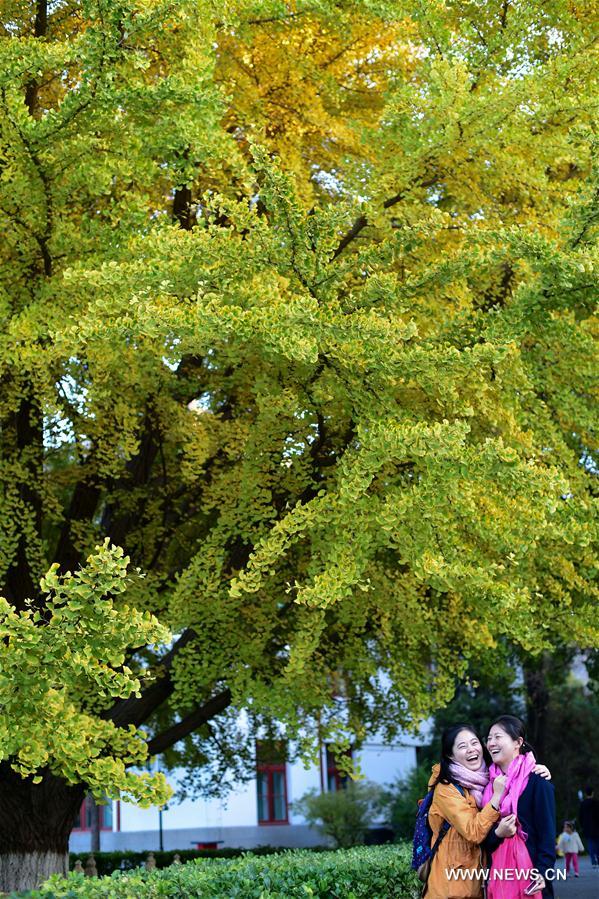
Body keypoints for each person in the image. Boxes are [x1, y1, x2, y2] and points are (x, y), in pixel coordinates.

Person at [425, 723, 551, 899]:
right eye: (462, 746)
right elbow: (474, 832)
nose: (471, 749)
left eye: (474, 742)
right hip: (449, 889)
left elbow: (514, 764)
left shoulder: (488, 779)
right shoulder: (447, 789)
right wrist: (496, 798)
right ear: (450, 755)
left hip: (479, 885)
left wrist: (534, 768)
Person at [483, 715, 556, 898]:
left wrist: (543, 872)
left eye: (498, 737)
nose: (491, 743)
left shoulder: (538, 782)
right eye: (489, 738)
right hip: (498, 880)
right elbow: (482, 839)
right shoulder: (488, 787)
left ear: (518, 742)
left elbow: (547, 835)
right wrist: (498, 833)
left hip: (532, 878)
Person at [579, 786, 599, 868]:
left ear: (585, 794)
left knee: (590, 844)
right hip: (597, 826)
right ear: (592, 793)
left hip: (587, 827)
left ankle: (593, 861)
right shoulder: (596, 802)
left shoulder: (583, 804)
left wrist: (582, 825)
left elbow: (580, 816)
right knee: (597, 843)